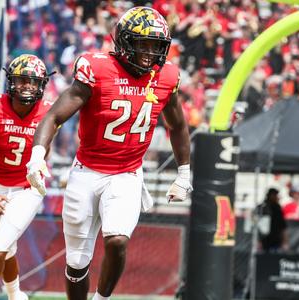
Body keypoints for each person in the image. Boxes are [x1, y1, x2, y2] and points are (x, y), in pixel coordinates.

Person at [26, 7, 193, 300]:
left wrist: (183, 173)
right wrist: (37, 156)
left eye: (156, 46)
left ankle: (102, 298)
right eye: (143, 44)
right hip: (86, 171)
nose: (150, 53)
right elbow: (54, 116)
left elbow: (178, 126)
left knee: (117, 241)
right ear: (124, 41)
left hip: (126, 173)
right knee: (77, 263)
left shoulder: (166, 76)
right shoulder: (98, 68)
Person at [0, 54, 53, 300]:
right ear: (10, 81)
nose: (27, 86)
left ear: (42, 84)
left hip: (29, 187)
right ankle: (16, 294)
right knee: (7, 250)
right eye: (22, 80)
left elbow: (43, 155)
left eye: (33, 81)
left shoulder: (49, 113)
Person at [257, 188, 288, 253]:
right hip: (263, 240)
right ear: (271, 195)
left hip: (275, 240)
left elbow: (282, 226)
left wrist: (284, 241)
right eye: (275, 195)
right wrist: (258, 241)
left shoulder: (277, 208)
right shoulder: (262, 207)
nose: (277, 197)